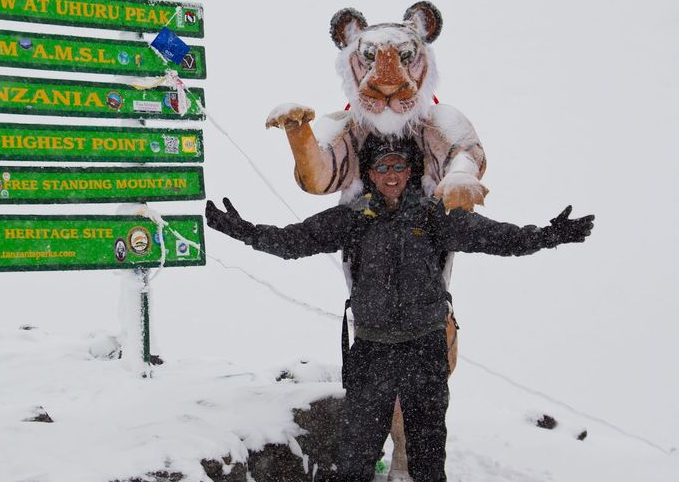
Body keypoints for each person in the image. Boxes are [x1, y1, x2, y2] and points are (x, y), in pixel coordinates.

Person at [205, 137, 594, 482]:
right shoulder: (356, 218)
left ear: (411, 171)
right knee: (355, 458)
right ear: (371, 173)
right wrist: (245, 231)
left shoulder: (434, 216)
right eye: (382, 166)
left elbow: (494, 237)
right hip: (372, 351)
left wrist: (549, 235)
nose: (391, 174)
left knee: (427, 460)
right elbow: (295, 241)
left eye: (399, 165)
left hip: (424, 349)